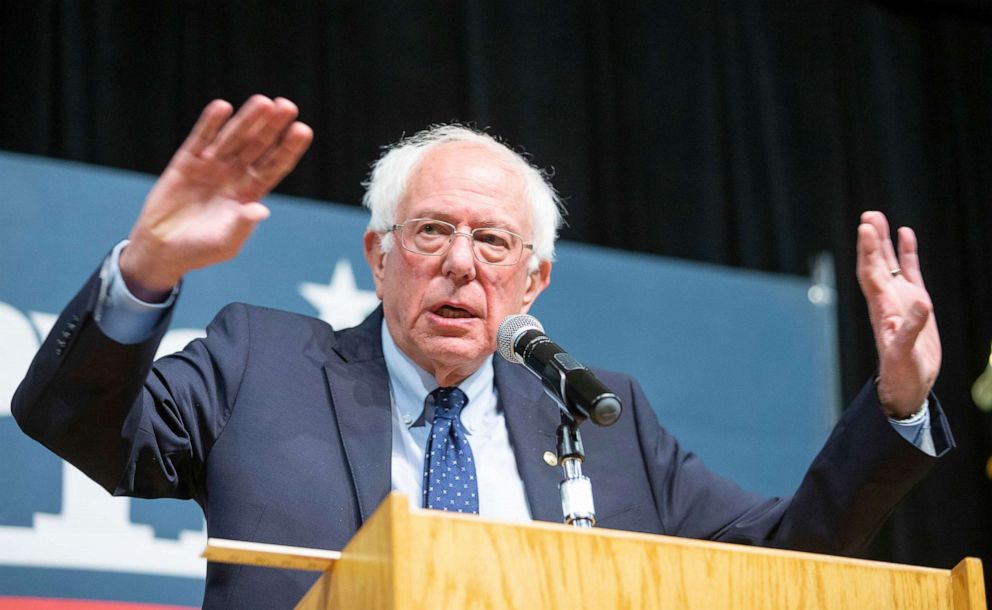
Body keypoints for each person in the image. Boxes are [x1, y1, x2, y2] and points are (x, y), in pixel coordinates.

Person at [12, 96, 952, 609]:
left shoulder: (601, 416)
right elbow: (80, 423)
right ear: (379, 258)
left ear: (532, 283)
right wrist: (144, 269)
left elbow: (788, 555)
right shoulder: (257, 360)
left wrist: (899, 396)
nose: (461, 264)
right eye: (430, 233)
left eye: (493, 243)